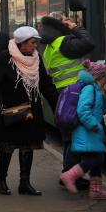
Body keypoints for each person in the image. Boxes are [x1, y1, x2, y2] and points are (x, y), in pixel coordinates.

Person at [0, 26, 58, 196]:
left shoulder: (36, 59)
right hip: (10, 113)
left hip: (31, 112)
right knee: (7, 147)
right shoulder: (6, 58)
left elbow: (46, 84)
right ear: (21, 43)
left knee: (27, 147)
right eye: (32, 42)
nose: (35, 46)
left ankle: (25, 183)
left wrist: (58, 105)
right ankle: (1, 180)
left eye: (35, 42)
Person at [40, 12, 95, 189]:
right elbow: (88, 43)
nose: (68, 23)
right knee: (74, 137)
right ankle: (70, 176)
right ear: (59, 25)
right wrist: (76, 28)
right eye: (65, 21)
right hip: (74, 94)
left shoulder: (50, 46)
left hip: (63, 94)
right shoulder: (63, 42)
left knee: (68, 137)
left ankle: (66, 173)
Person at [60, 60, 106, 200]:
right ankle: (69, 175)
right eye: (105, 77)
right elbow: (82, 110)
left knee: (97, 158)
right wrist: (93, 125)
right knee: (97, 158)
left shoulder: (96, 90)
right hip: (87, 131)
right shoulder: (89, 89)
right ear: (99, 77)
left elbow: (102, 110)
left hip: (91, 132)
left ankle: (95, 191)